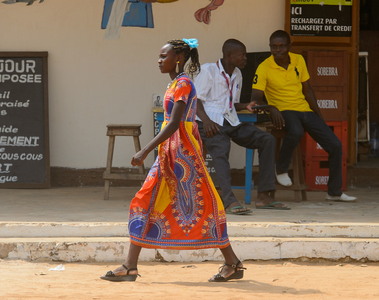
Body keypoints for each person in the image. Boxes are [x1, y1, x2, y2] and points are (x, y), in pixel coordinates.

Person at [100, 38, 246, 282]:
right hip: (171, 153)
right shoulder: (175, 84)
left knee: (203, 205)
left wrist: (144, 150)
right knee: (147, 200)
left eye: (163, 56)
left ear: (178, 58)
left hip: (183, 153)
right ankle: (130, 265)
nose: (159, 61)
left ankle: (232, 263)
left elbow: (176, 123)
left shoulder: (184, 84)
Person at [251, 30, 357, 202]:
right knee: (296, 130)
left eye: (282, 46)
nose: (278, 50)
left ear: (289, 47)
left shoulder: (299, 60)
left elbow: (308, 91)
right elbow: (255, 99)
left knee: (335, 145)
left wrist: (319, 116)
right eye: (274, 47)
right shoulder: (264, 67)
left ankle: (334, 192)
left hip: (304, 110)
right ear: (270, 47)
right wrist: (271, 108)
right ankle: (282, 168)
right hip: (282, 111)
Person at [194, 38, 290, 214]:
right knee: (222, 148)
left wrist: (245, 105)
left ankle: (263, 196)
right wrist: (206, 121)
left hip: (231, 120)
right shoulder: (208, 70)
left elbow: (230, 103)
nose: (245, 58)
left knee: (266, 139)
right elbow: (195, 100)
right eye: (242, 55)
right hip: (210, 122)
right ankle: (229, 200)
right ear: (229, 56)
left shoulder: (237, 73)